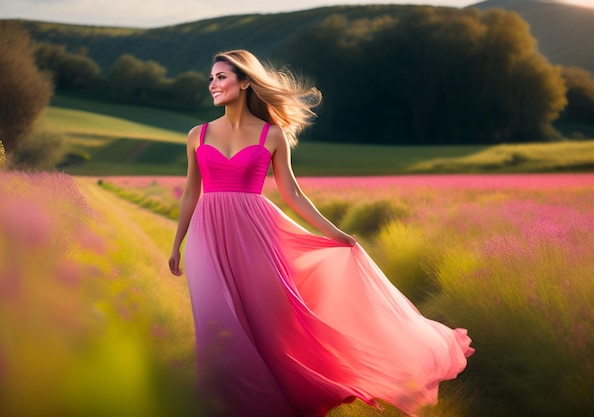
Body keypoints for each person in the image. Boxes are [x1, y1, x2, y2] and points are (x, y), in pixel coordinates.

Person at [168, 49, 473, 417]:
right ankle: (223, 404)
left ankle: (282, 398)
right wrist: (177, 244)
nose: (212, 83)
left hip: (256, 233)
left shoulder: (273, 134)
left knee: (268, 321)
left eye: (221, 77)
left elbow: (292, 194)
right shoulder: (197, 135)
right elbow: (190, 193)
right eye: (212, 77)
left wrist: (335, 232)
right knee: (217, 320)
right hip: (206, 235)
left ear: (245, 82)